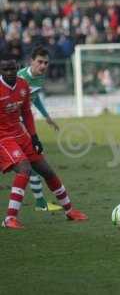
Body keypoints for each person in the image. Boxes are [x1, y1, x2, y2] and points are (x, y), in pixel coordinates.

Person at [0, 53, 87, 229]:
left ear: (17, 68)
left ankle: (69, 211)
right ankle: (9, 219)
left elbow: (26, 113)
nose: (9, 72)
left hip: (21, 134)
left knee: (46, 170)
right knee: (24, 169)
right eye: (5, 69)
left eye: (12, 68)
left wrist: (34, 137)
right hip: (3, 137)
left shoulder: (23, 85)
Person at [18, 46, 62, 212]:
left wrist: (47, 116)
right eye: (40, 62)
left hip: (23, 125)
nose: (43, 66)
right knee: (32, 162)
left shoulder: (40, 78)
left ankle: (41, 203)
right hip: (13, 126)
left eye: (46, 63)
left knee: (31, 163)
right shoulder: (20, 78)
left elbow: (34, 99)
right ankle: (40, 204)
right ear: (32, 61)